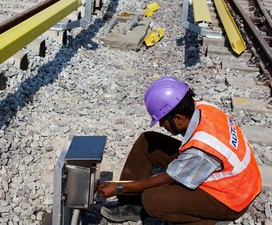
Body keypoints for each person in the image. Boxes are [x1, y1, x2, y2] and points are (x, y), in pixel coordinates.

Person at [98, 76, 262, 225]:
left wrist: (119, 187)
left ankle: (210, 221)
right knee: (148, 141)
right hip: (231, 176)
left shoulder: (202, 147)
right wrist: (125, 189)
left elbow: (166, 179)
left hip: (232, 199)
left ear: (178, 118)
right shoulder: (203, 107)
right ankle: (130, 204)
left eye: (162, 121)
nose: (162, 126)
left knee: (152, 201)